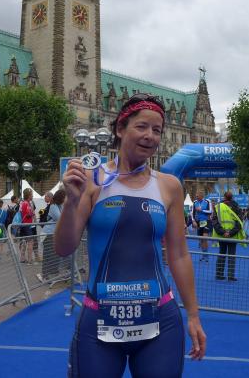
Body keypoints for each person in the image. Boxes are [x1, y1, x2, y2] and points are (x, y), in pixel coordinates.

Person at [55, 93, 206, 377]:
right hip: (100, 319)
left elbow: (179, 254)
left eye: (157, 130)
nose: (150, 136)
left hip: (159, 320)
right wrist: (71, 203)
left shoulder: (169, 186)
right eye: (141, 126)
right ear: (120, 129)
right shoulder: (93, 180)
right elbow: (64, 247)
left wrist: (194, 315)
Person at [212, 191, 246, 281]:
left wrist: (222, 232)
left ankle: (219, 274)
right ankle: (231, 276)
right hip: (233, 236)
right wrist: (231, 233)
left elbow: (214, 221)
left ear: (224, 197)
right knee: (232, 255)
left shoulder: (218, 206)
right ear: (232, 197)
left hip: (222, 236)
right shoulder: (236, 207)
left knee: (221, 254)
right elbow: (240, 222)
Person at [38, 189, 66, 283]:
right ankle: (45, 276)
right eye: (65, 197)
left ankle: (53, 274)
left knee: (55, 255)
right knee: (48, 255)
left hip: (55, 234)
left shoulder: (60, 206)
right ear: (61, 197)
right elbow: (60, 218)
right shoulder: (53, 206)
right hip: (48, 233)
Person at [191, 192, 214, 261]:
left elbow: (211, 211)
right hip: (198, 222)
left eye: (197, 196)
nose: (196, 197)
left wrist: (202, 210)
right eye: (196, 196)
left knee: (205, 238)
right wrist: (193, 221)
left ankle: (206, 255)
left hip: (206, 222)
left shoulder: (207, 201)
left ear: (202, 196)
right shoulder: (195, 202)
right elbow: (192, 213)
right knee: (201, 240)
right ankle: (203, 255)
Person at [19, 188, 35, 263]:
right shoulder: (26, 203)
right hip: (27, 225)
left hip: (23, 224)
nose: (33, 196)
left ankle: (22, 258)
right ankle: (30, 259)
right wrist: (32, 213)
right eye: (32, 195)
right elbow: (28, 214)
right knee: (30, 241)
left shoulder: (23, 203)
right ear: (28, 195)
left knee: (24, 241)